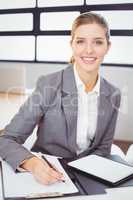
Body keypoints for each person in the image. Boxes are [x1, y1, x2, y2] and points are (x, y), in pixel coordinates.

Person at [0, 12, 121, 185]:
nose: (89, 50)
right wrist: (32, 163)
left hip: (87, 178)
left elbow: (103, 149)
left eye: (98, 42)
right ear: (72, 44)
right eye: (80, 41)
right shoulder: (48, 85)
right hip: (46, 174)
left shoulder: (113, 94)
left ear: (107, 47)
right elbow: (7, 139)